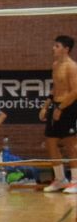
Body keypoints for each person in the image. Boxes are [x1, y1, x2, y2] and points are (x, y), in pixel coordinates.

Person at [41, 35, 77, 193]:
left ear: (66, 49)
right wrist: (46, 106)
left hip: (68, 107)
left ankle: (75, 181)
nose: (53, 48)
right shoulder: (55, 65)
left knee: (70, 143)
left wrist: (60, 108)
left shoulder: (72, 67)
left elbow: (75, 91)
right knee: (50, 142)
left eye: (57, 46)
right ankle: (60, 179)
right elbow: (55, 87)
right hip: (56, 105)